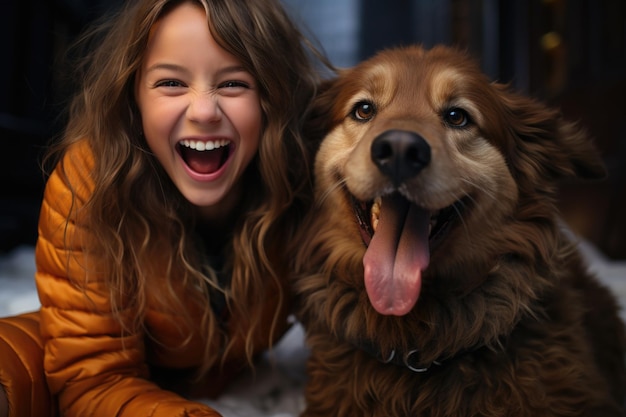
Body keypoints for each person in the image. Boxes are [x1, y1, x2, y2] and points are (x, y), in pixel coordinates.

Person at [0, 0, 328, 415]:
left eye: (233, 84)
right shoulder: (91, 180)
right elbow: (93, 375)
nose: (204, 111)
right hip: (119, 357)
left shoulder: (303, 176)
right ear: (133, 97)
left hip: (219, 371)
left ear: (272, 99)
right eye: (171, 83)